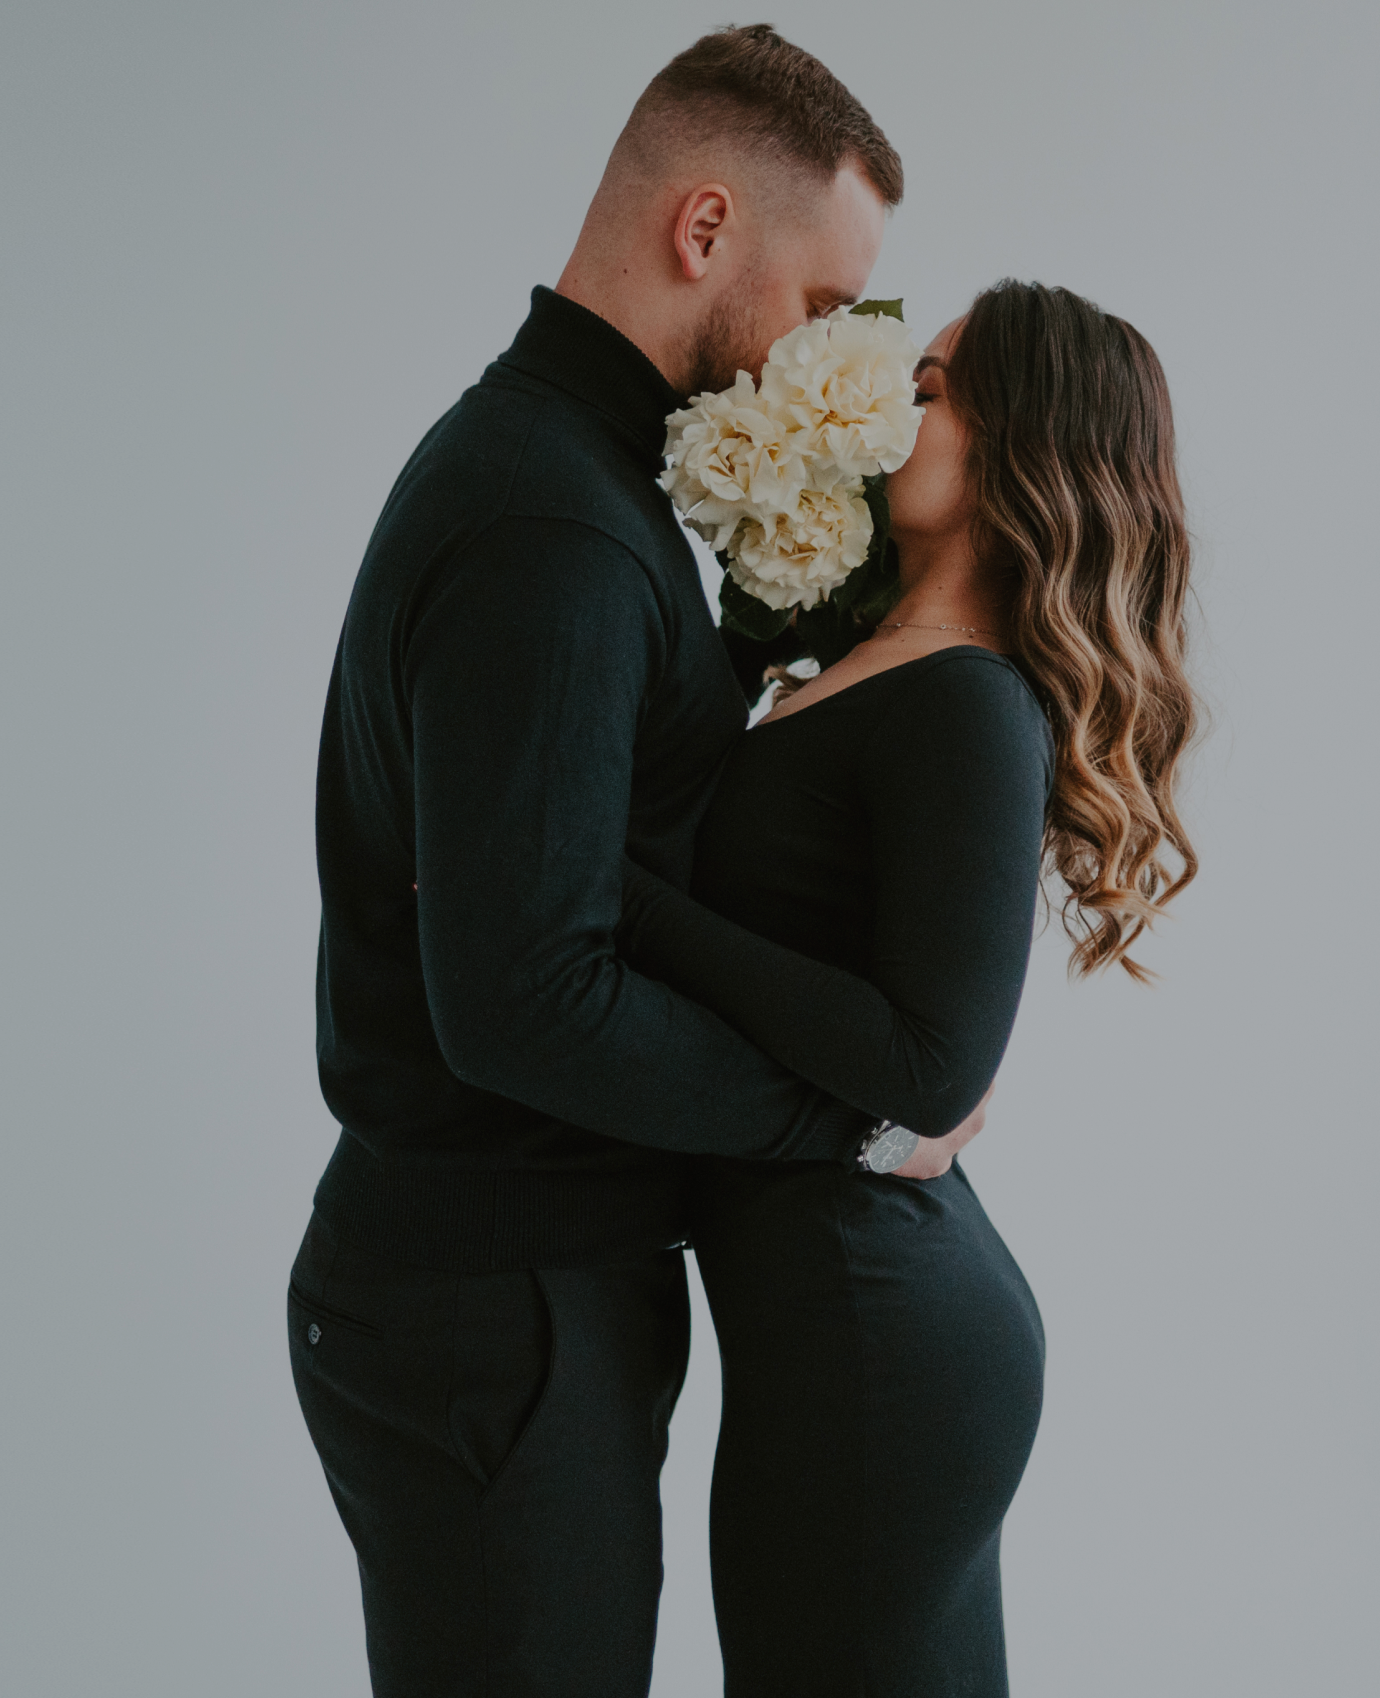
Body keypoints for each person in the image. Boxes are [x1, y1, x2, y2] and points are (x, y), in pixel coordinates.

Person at [287, 25, 913, 1698]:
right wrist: (849, 1122)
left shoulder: (572, 480)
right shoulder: (550, 525)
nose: (823, 359)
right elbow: (526, 998)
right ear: (704, 229)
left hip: (511, 1296)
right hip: (495, 1311)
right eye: (821, 303)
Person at [617, 279, 1199, 1696]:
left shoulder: (968, 700)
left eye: (930, 389)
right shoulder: (861, 659)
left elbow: (933, 1064)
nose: (891, 402)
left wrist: (619, 909)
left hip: (874, 1331)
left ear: (1023, 445)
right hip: (840, 1315)